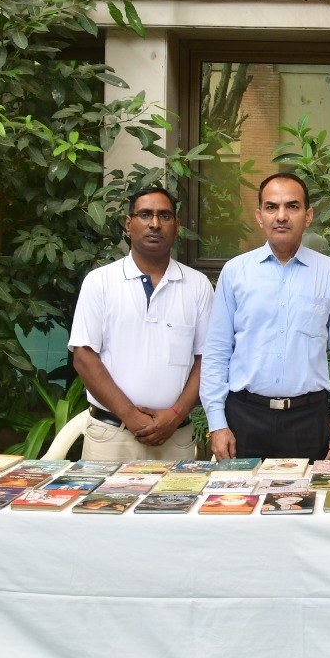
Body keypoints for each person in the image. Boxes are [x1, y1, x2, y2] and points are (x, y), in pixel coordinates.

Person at [199, 172, 330, 461]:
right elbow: (217, 350)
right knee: (239, 491)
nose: (281, 216)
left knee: (307, 492)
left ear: (308, 216)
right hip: (244, 418)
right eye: (271, 207)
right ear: (259, 216)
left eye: (292, 206)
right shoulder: (236, 272)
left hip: (308, 420)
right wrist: (217, 422)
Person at [68, 185, 215, 462]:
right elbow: (84, 357)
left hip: (175, 436)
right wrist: (130, 415)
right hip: (111, 436)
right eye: (145, 215)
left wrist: (175, 415)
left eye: (164, 216)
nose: (155, 224)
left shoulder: (198, 286)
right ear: (128, 223)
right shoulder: (100, 282)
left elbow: (207, 360)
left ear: (176, 226)